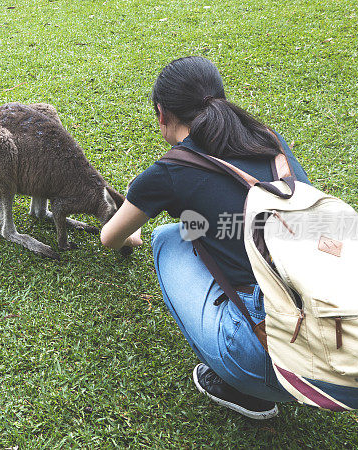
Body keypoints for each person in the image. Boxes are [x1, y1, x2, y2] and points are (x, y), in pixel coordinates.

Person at [100, 56, 310, 420]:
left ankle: (243, 389)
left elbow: (110, 238)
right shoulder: (268, 139)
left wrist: (136, 224)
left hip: (273, 365)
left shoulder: (171, 170)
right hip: (341, 337)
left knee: (167, 237)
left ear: (162, 114)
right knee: (211, 232)